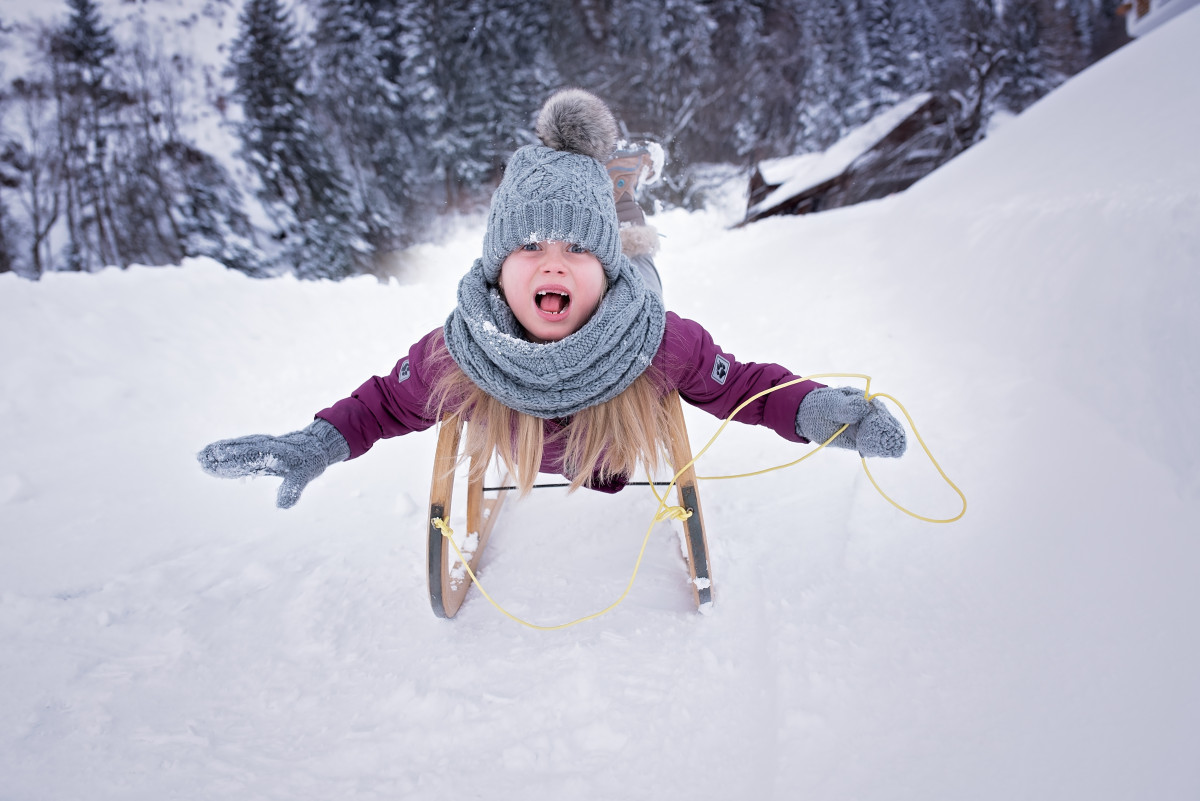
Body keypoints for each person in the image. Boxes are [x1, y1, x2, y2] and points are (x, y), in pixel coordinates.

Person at [197, 89, 906, 509]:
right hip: (581, 303)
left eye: (574, 252)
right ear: (497, 268)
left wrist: (820, 413)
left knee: (631, 240)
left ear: (601, 270)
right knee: (600, 226)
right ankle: (608, 188)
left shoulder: (656, 341)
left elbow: (746, 388)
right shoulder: (462, 350)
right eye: (530, 248)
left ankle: (617, 197)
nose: (552, 265)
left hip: (623, 303)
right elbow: (385, 403)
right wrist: (316, 442)